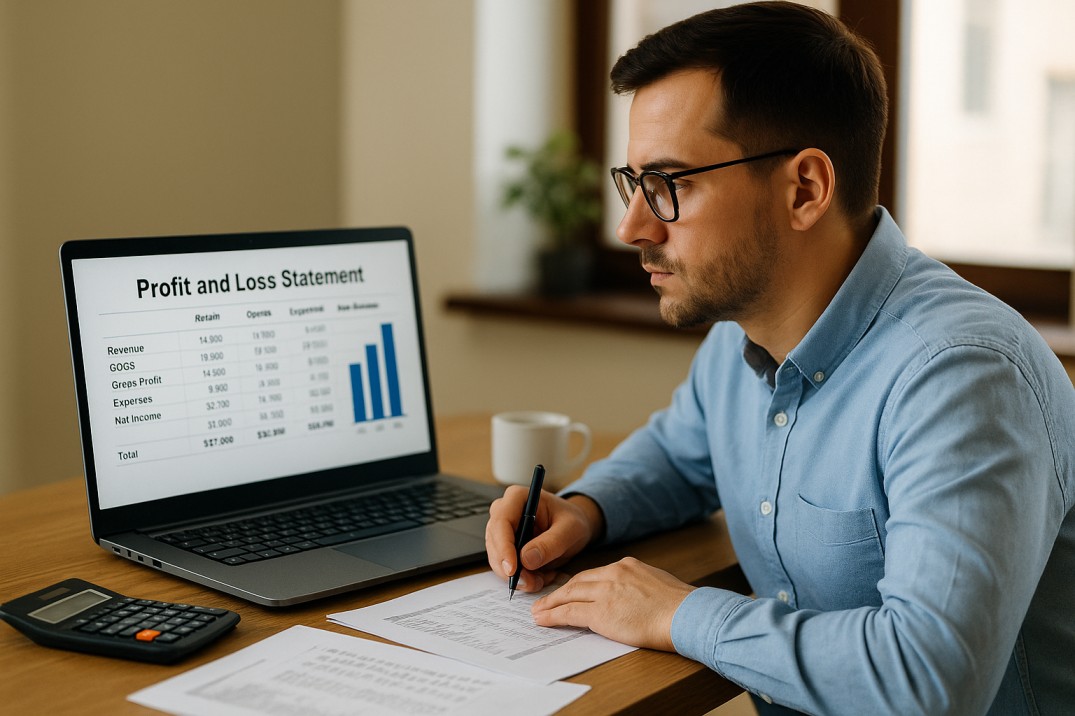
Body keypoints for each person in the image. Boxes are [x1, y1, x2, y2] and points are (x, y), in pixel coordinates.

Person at [484, 3, 1075, 714]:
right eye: (633, 183)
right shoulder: (739, 342)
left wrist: (677, 612)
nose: (631, 226)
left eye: (671, 184)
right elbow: (676, 459)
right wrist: (583, 510)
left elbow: (928, 681)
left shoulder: (961, 376)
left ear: (804, 190)